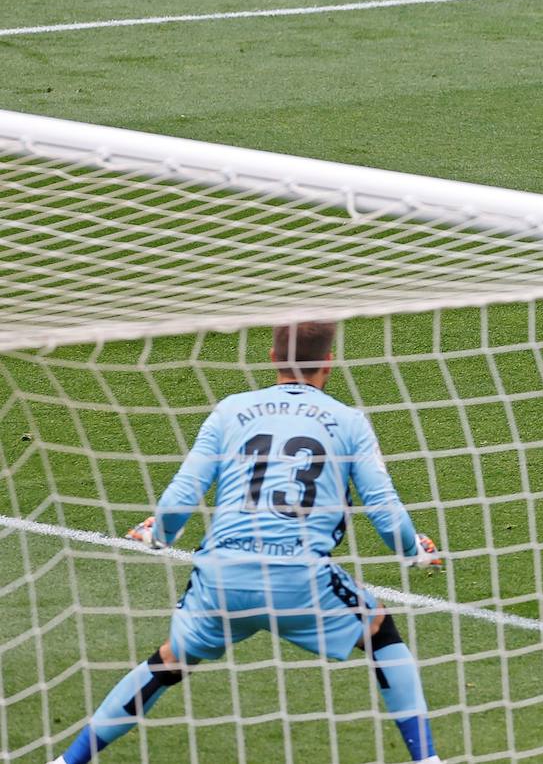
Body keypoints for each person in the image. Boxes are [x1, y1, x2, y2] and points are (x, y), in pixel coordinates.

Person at [50, 322, 444, 764]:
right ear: (329, 363)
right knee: (379, 632)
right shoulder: (348, 421)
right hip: (299, 579)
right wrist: (414, 550)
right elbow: (382, 506)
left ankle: (69, 761)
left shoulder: (230, 410)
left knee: (169, 660)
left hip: (222, 578)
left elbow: (182, 493)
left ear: (273, 358)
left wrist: (158, 533)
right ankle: (426, 760)